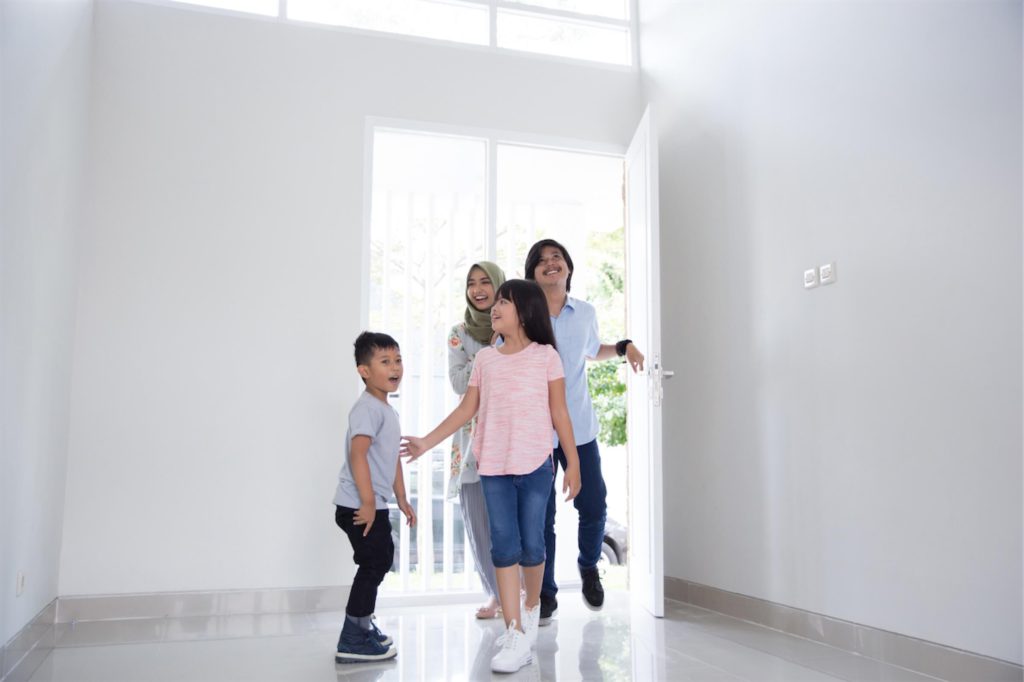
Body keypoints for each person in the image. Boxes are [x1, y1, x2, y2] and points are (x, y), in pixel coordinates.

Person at [403, 280, 582, 674]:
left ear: (526, 310)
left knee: (533, 546)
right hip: (493, 467)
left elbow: (560, 413)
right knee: (503, 546)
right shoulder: (485, 360)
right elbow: (466, 410)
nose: (495, 307)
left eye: (504, 301)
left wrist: (574, 463)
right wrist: (425, 443)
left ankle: (531, 610)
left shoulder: (546, 357)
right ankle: (515, 631)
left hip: (535, 464)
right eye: (495, 302)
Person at [524, 238, 645, 625]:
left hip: (579, 428)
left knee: (593, 506)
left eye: (556, 258)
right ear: (532, 274)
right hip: (538, 432)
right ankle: (545, 593)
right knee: (541, 517)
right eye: (542, 261)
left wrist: (625, 348)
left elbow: (593, 351)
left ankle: (589, 565)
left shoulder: (585, 313)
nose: (550, 264)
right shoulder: (523, 314)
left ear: (569, 268)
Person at [333, 331, 416, 664]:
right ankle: (353, 636)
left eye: (397, 360)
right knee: (374, 562)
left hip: (371, 502)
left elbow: (390, 458)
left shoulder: (385, 409)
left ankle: (363, 623)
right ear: (364, 370)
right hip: (358, 504)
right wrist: (368, 503)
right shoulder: (366, 408)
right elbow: (359, 455)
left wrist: (402, 499)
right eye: (385, 361)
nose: (395, 367)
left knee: (379, 559)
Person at [447, 261, 507, 620]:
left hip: (510, 433)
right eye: (471, 283)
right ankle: (496, 595)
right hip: (471, 437)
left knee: (509, 522)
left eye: (485, 281)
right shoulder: (459, 333)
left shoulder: (516, 327)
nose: (478, 289)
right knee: (477, 517)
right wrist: (488, 353)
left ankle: (520, 592)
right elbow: (457, 383)